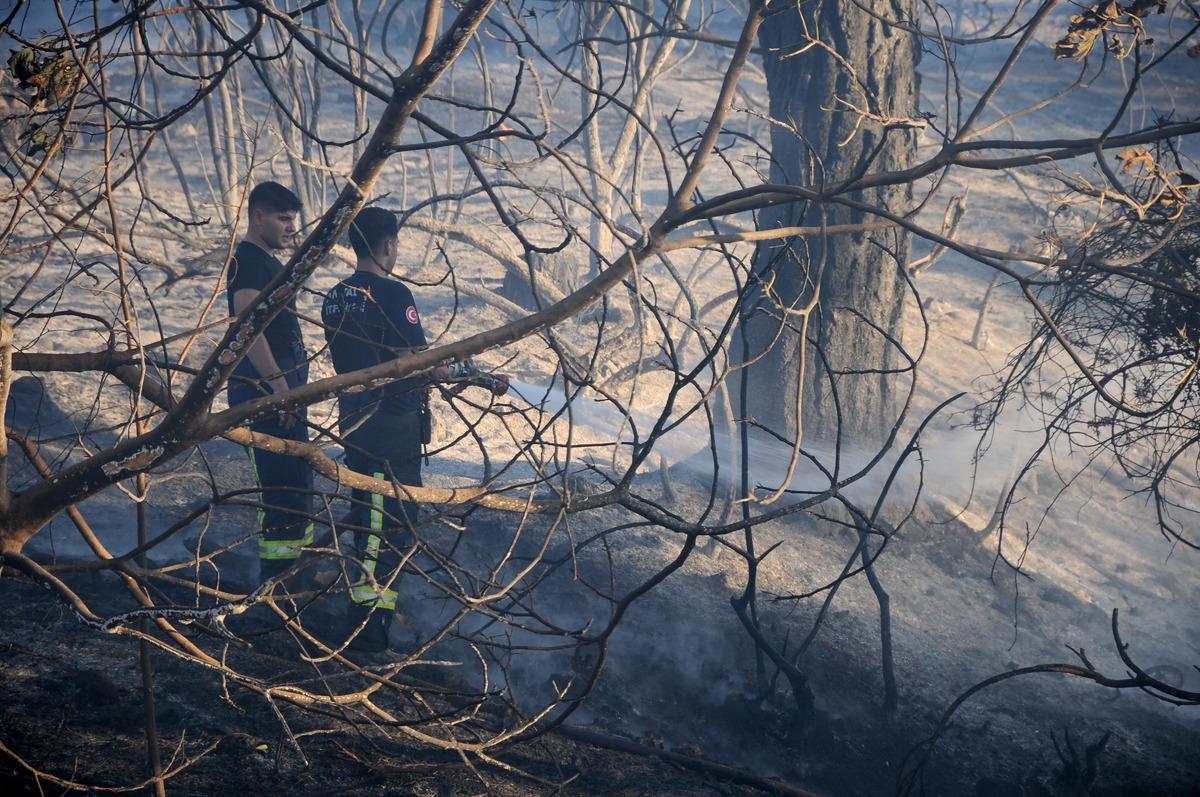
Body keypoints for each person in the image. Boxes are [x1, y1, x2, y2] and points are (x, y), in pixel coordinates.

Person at [321, 205, 509, 653]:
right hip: (392, 425)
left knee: (369, 512)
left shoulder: (333, 296)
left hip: (354, 419)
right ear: (388, 245)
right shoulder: (392, 294)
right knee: (390, 523)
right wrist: (477, 375)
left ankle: (366, 615)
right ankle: (366, 629)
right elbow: (419, 362)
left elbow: (382, 359)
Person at [225, 181, 314, 585]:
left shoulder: (267, 261)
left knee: (296, 481)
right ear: (257, 216)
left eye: (292, 220)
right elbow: (248, 330)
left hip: (283, 388)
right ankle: (273, 583)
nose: (289, 228)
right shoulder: (249, 262)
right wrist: (280, 389)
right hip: (263, 392)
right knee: (279, 487)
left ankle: (297, 574)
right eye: (282, 219)